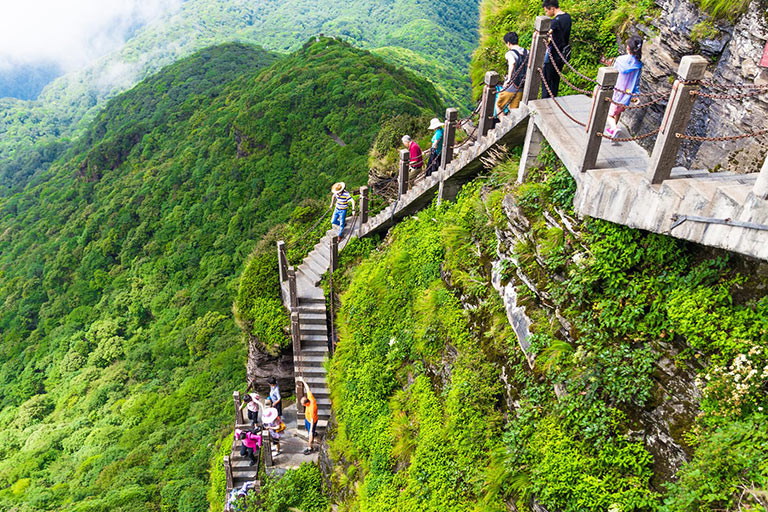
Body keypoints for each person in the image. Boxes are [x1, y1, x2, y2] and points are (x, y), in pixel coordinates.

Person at [605, 36, 644, 140]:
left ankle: (614, 127)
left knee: (609, 114)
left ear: (628, 48)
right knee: (618, 112)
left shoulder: (620, 60)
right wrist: (635, 94)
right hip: (627, 93)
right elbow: (637, 81)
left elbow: (614, 73)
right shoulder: (639, 65)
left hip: (617, 90)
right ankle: (612, 131)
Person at [541, 0, 571, 99]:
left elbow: (547, 35)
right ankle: (553, 100)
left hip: (553, 55)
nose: (546, 13)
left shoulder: (555, 21)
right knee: (555, 81)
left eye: (546, 11)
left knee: (547, 81)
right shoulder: (568, 17)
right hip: (563, 54)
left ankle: (545, 102)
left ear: (552, 8)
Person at [497, 32, 529, 113]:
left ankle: (502, 124)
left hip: (512, 86)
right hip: (522, 86)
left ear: (508, 43)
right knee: (514, 110)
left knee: (498, 106)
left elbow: (512, 63)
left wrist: (508, 80)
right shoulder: (527, 52)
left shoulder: (510, 53)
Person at [297, 376, 318, 454]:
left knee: (310, 433)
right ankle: (312, 433)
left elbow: (312, 421)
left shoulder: (312, 408)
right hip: (307, 418)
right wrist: (303, 380)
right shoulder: (309, 397)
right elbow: (307, 388)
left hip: (311, 421)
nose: (302, 404)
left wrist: (310, 432)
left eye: (302, 404)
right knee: (307, 429)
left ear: (306, 403)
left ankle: (310, 447)